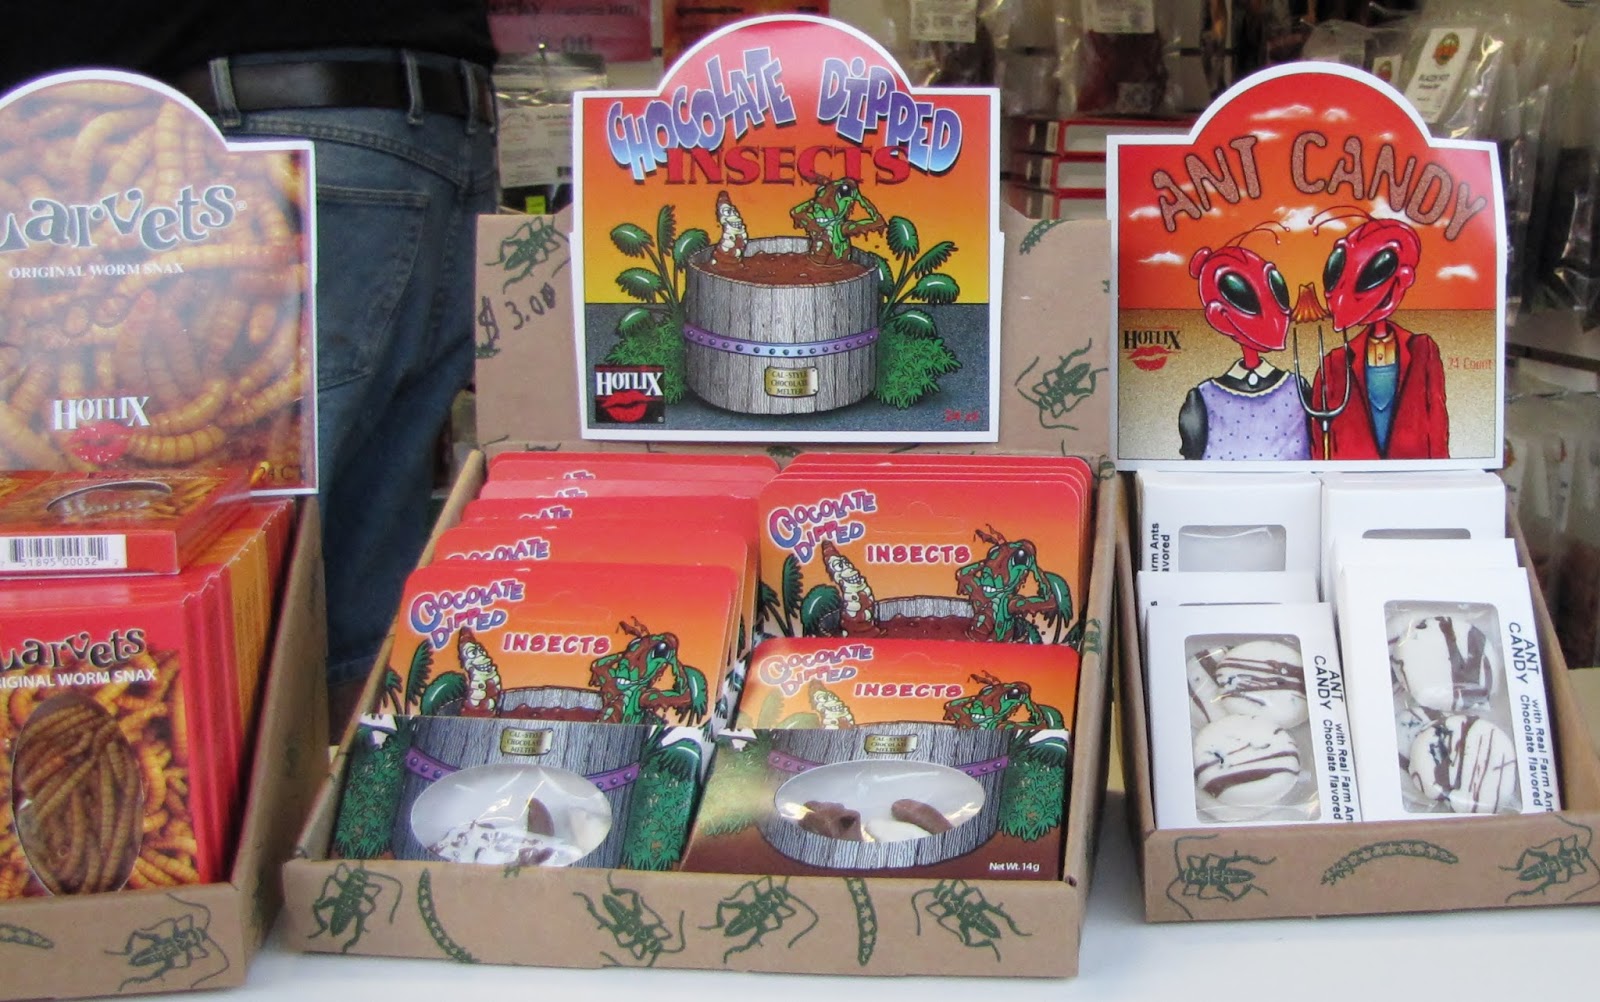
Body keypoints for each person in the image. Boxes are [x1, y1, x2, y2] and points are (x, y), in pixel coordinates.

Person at [3, 4, 501, 726]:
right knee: (351, 615)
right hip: (425, 120)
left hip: (241, 140)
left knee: (182, 616)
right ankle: (336, 796)